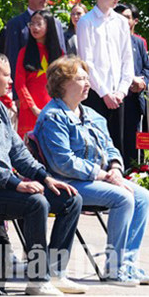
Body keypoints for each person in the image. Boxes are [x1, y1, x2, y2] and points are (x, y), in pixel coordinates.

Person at [0, 51, 85, 296]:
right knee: (35, 202)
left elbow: (18, 151)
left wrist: (44, 177)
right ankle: (38, 280)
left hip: (2, 186)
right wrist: (16, 183)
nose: (11, 80)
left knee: (71, 199)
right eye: (6, 75)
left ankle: (55, 272)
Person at [35, 56, 149, 286]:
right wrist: (102, 175)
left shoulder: (93, 115)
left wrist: (115, 168)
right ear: (62, 83)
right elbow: (62, 162)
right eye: (80, 78)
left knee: (143, 197)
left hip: (98, 179)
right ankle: (114, 269)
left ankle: (126, 265)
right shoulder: (52, 116)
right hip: (64, 182)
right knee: (123, 198)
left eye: (87, 78)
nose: (87, 83)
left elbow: (110, 147)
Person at [77, 0, 134, 158]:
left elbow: (127, 58)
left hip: (118, 93)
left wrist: (121, 90)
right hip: (96, 92)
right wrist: (104, 93)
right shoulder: (86, 22)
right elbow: (87, 61)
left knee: (119, 141)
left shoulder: (121, 22)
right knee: (97, 141)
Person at [4, 0, 67, 88]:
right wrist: (16, 95)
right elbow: (12, 60)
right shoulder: (16, 24)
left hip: (53, 89)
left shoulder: (56, 23)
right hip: (27, 88)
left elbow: (62, 56)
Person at [14, 10, 64, 137]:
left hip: (54, 109)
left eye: (39, 24)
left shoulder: (60, 54)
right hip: (30, 110)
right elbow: (20, 84)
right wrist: (33, 108)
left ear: (49, 26)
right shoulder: (24, 52)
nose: (34, 27)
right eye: (32, 23)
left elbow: (64, 84)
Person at [114, 4, 149, 167]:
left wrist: (142, 83)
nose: (123, 20)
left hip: (135, 100)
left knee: (136, 142)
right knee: (116, 140)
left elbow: (146, 68)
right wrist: (130, 79)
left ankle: (136, 171)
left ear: (133, 21)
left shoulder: (138, 42)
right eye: (119, 16)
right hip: (114, 99)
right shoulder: (108, 42)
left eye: (127, 17)